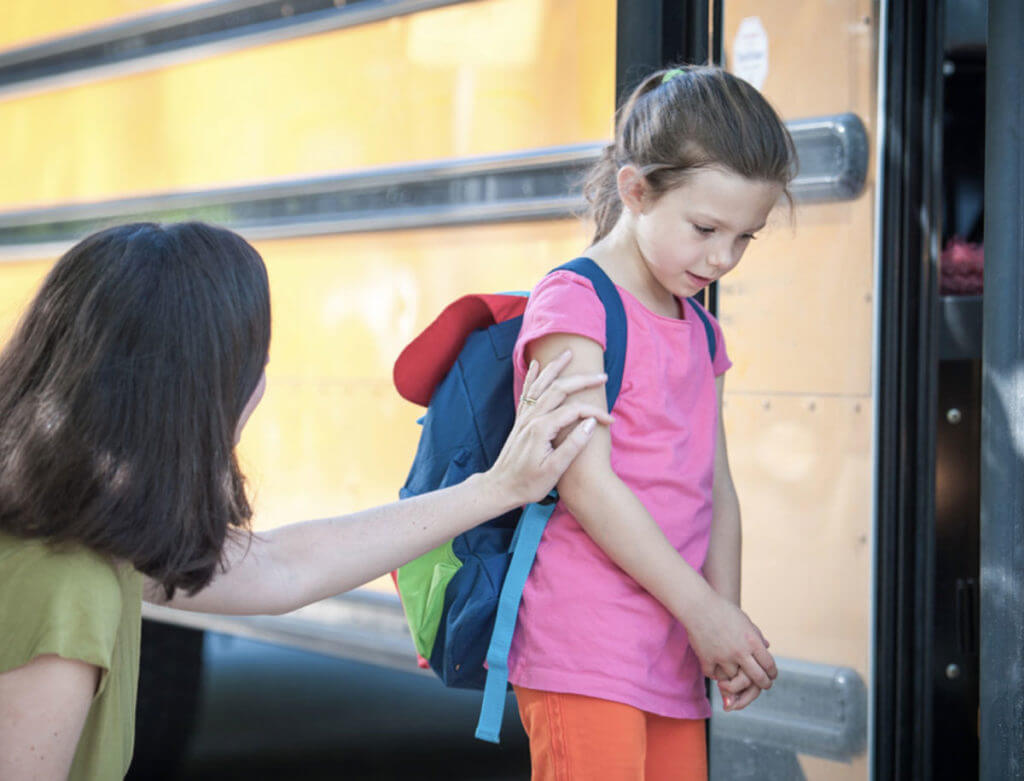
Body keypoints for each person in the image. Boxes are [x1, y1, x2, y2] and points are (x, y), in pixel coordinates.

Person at [0, 221, 612, 781]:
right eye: (251, 365)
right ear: (196, 396)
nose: (261, 386)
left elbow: (284, 565)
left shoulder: (77, 531)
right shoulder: (66, 587)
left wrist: (498, 488)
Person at [506, 65, 797, 780]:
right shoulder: (575, 305)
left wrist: (721, 620)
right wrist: (704, 611)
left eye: (744, 238)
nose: (722, 258)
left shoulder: (699, 331)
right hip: (585, 648)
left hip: (673, 649)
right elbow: (584, 482)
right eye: (705, 229)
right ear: (635, 190)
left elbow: (715, 488)